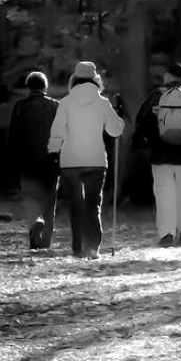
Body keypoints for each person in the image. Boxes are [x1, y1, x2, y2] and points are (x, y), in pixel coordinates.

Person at [47, 60, 124, 260]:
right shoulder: (103, 103)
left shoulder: (66, 102)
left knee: (76, 205)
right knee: (93, 204)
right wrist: (119, 115)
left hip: (70, 161)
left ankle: (77, 248)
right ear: (95, 79)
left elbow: (57, 132)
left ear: (74, 78)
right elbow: (115, 131)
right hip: (96, 160)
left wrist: (53, 151)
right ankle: (93, 248)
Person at [132, 62, 181, 247]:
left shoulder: (156, 95)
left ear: (167, 76)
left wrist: (145, 142)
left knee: (164, 192)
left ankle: (167, 233)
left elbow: (141, 122)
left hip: (160, 153)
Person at [7, 71, 60, 249]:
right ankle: (46, 242)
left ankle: (35, 226)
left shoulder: (20, 106)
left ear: (28, 87)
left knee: (30, 198)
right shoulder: (55, 106)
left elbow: (12, 136)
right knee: (49, 201)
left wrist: (13, 161)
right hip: (51, 162)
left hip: (27, 161)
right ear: (45, 87)